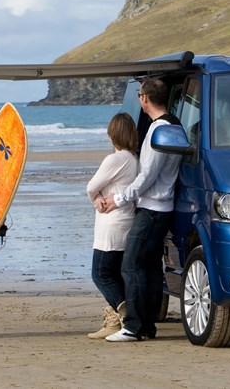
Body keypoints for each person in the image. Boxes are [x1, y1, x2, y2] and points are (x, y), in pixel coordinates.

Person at [100, 77, 182, 342]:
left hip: (153, 209)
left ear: (144, 98)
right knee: (148, 267)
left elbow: (147, 176)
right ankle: (146, 327)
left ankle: (134, 327)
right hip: (160, 207)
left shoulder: (160, 130)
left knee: (131, 265)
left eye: (138, 95)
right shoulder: (174, 125)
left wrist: (119, 198)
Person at [86, 113, 139, 339]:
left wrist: (95, 198)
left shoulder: (116, 159)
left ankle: (124, 311)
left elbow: (91, 186)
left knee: (100, 273)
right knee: (115, 273)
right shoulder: (135, 159)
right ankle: (114, 321)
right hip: (126, 219)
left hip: (112, 223)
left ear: (113, 134)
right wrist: (98, 197)